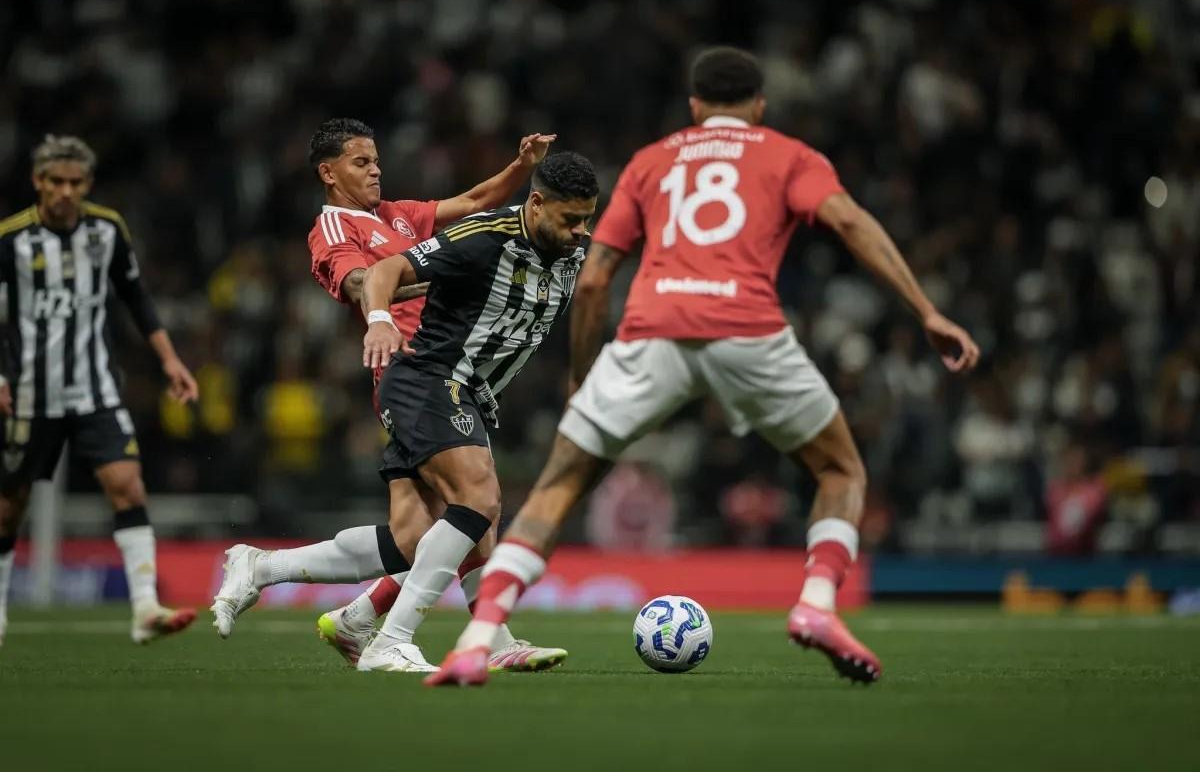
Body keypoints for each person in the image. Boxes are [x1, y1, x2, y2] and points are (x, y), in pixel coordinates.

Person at [427, 47, 981, 687]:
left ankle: (474, 640)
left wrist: (583, 373)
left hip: (652, 331)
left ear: (694, 108)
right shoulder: (786, 154)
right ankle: (817, 604)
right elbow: (850, 223)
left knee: (557, 488)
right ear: (760, 106)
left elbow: (598, 278)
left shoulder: (651, 161)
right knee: (838, 468)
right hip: (750, 330)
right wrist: (926, 311)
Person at [209, 122, 575, 671]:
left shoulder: (398, 215)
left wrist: (523, 165)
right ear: (328, 174)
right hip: (414, 369)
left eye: (376, 159)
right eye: (360, 162)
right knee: (477, 500)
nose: (375, 169)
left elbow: (476, 199)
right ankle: (436, 639)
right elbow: (363, 283)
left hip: (451, 371)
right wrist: (436, 283)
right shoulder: (333, 227)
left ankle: (263, 568)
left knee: (414, 537)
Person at [0, 135, 200, 648]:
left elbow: (136, 296)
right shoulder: (10, 239)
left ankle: (144, 609)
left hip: (96, 390)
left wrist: (170, 359)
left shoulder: (107, 230)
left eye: (76, 182)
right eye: (56, 182)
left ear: (87, 184)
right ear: (38, 182)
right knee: (8, 505)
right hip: (27, 394)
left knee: (128, 486)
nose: (66, 192)